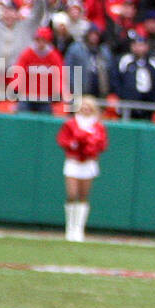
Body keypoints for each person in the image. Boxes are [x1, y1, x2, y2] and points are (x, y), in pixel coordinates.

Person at [56, 96, 108, 243]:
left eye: (88, 106)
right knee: (72, 194)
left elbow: (102, 145)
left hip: (88, 163)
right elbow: (63, 140)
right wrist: (74, 143)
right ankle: (70, 227)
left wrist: (91, 145)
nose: (85, 108)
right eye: (83, 105)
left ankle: (79, 229)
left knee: (83, 196)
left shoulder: (98, 126)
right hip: (73, 162)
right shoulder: (71, 124)